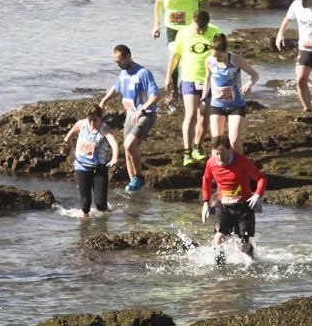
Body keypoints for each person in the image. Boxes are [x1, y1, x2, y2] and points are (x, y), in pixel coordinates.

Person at [99, 45, 161, 193]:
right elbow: (116, 88)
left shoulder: (143, 73)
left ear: (128, 57)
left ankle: (138, 177)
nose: (118, 64)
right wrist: (103, 102)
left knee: (128, 145)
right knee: (127, 151)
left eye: (120, 61)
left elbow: (156, 95)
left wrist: (143, 109)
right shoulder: (123, 74)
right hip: (130, 115)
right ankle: (133, 186)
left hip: (146, 115)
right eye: (116, 62)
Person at [199, 136, 267, 264]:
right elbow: (206, 180)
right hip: (224, 207)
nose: (218, 158)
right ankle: (220, 270)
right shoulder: (211, 163)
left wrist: (257, 194)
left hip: (243, 208)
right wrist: (205, 202)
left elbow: (261, 178)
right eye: (215, 154)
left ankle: (252, 263)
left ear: (229, 149)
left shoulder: (242, 161)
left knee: (243, 246)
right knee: (218, 238)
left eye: (221, 153)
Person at [166, 10, 220, 166]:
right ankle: (187, 152)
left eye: (204, 28)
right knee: (191, 115)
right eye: (198, 28)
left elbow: (222, 54)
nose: (201, 30)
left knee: (204, 116)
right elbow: (175, 55)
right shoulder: (183, 33)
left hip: (209, 80)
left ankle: (197, 147)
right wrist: (168, 75)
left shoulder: (215, 31)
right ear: (193, 22)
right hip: (189, 78)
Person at [202, 34, 259, 155]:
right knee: (216, 141)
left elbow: (255, 75)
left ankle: (240, 166)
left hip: (236, 105)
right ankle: (217, 169)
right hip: (217, 105)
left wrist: (249, 84)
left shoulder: (236, 60)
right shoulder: (209, 61)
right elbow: (207, 79)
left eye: (219, 56)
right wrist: (203, 98)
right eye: (214, 56)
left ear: (225, 51)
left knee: (234, 141)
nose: (216, 59)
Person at [62, 104, 119, 217]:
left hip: (99, 169)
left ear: (100, 118)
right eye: (90, 120)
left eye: (95, 120)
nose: (92, 123)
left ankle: (104, 221)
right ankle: (85, 231)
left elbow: (114, 144)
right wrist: (67, 140)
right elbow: (71, 133)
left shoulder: (105, 129)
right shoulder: (82, 124)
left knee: (100, 205)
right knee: (85, 205)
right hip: (81, 167)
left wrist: (114, 158)